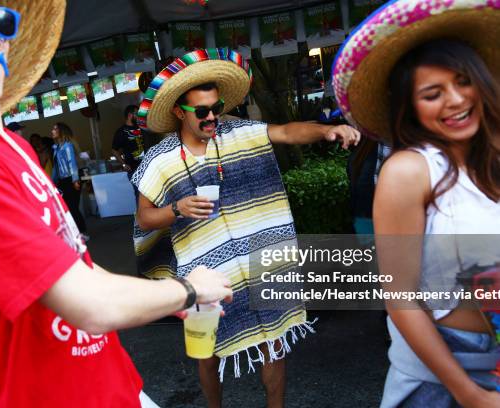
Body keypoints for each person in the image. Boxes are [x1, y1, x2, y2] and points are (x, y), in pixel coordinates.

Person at [0, 1, 232, 406]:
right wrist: (187, 289)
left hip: (109, 386)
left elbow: (72, 265)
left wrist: (153, 297)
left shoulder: (11, 145)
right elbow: (87, 305)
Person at [133, 49, 360, 408]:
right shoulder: (159, 160)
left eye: (216, 107)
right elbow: (145, 218)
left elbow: (286, 131)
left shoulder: (238, 132)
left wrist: (327, 130)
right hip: (202, 273)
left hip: (260, 257)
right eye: (202, 112)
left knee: (274, 341)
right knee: (204, 352)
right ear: (180, 112)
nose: (212, 118)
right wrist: (176, 209)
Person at [332, 1, 500, 407]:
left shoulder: (492, 157)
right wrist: (471, 395)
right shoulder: (409, 171)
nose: (456, 100)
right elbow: (400, 299)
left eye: (463, 82)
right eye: (432, 93)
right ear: (410, 106)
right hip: (444, 381)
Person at [51, 121, 88, 239]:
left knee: (72, 207)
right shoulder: (56, 148)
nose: (52, 131)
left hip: (71, 179)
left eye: (55, 129)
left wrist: (75, 180)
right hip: (63, 181)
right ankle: (76, 232)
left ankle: (82, 232)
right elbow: (55, 168)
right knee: (67, 207)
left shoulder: (67, 146)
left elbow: (72, 163)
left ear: (61, 131)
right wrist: (52, 181)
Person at [112, 104, 145, 177]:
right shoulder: (121, 132)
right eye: (137, 114)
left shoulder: (142, 127)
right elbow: (114, 150)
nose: (139, 116)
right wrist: (123, 164)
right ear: (130, 115)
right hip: (134, 170)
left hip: (147, 165)